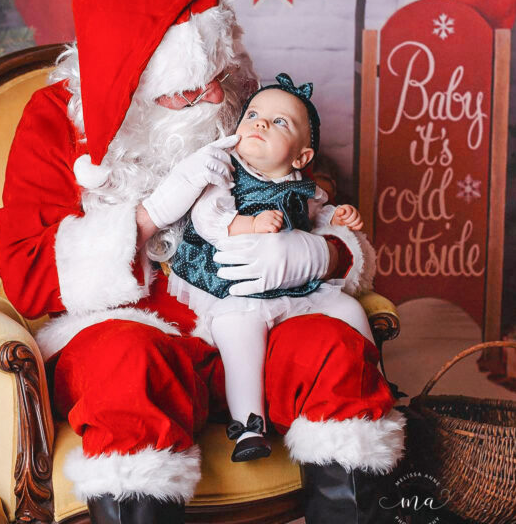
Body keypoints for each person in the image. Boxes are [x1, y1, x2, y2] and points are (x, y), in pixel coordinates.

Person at [0, 0, 411, 524]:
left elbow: (315, 197)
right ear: (135, 88)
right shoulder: (53, 122)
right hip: (135, 330)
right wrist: (147, 216)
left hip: (250, 326)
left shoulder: (240, 102)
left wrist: (324, 255)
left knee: (335, 347)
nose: (218, 97)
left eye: (222, 76)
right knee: (125, 365)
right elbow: (28, 274)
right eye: (194, 88)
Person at [153, 73, 370, 463]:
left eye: (280, 122)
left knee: (348, 309)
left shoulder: (304, 186)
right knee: (240, 336)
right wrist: (248, 225)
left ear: (301, 157)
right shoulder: (224, 174)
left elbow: (322, 218)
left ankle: (375, 381)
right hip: (235, 290)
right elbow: (208, 218)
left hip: (292, 288)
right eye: (253, 114)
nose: (261, 123)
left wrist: (342, 217)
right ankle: (248, 426)